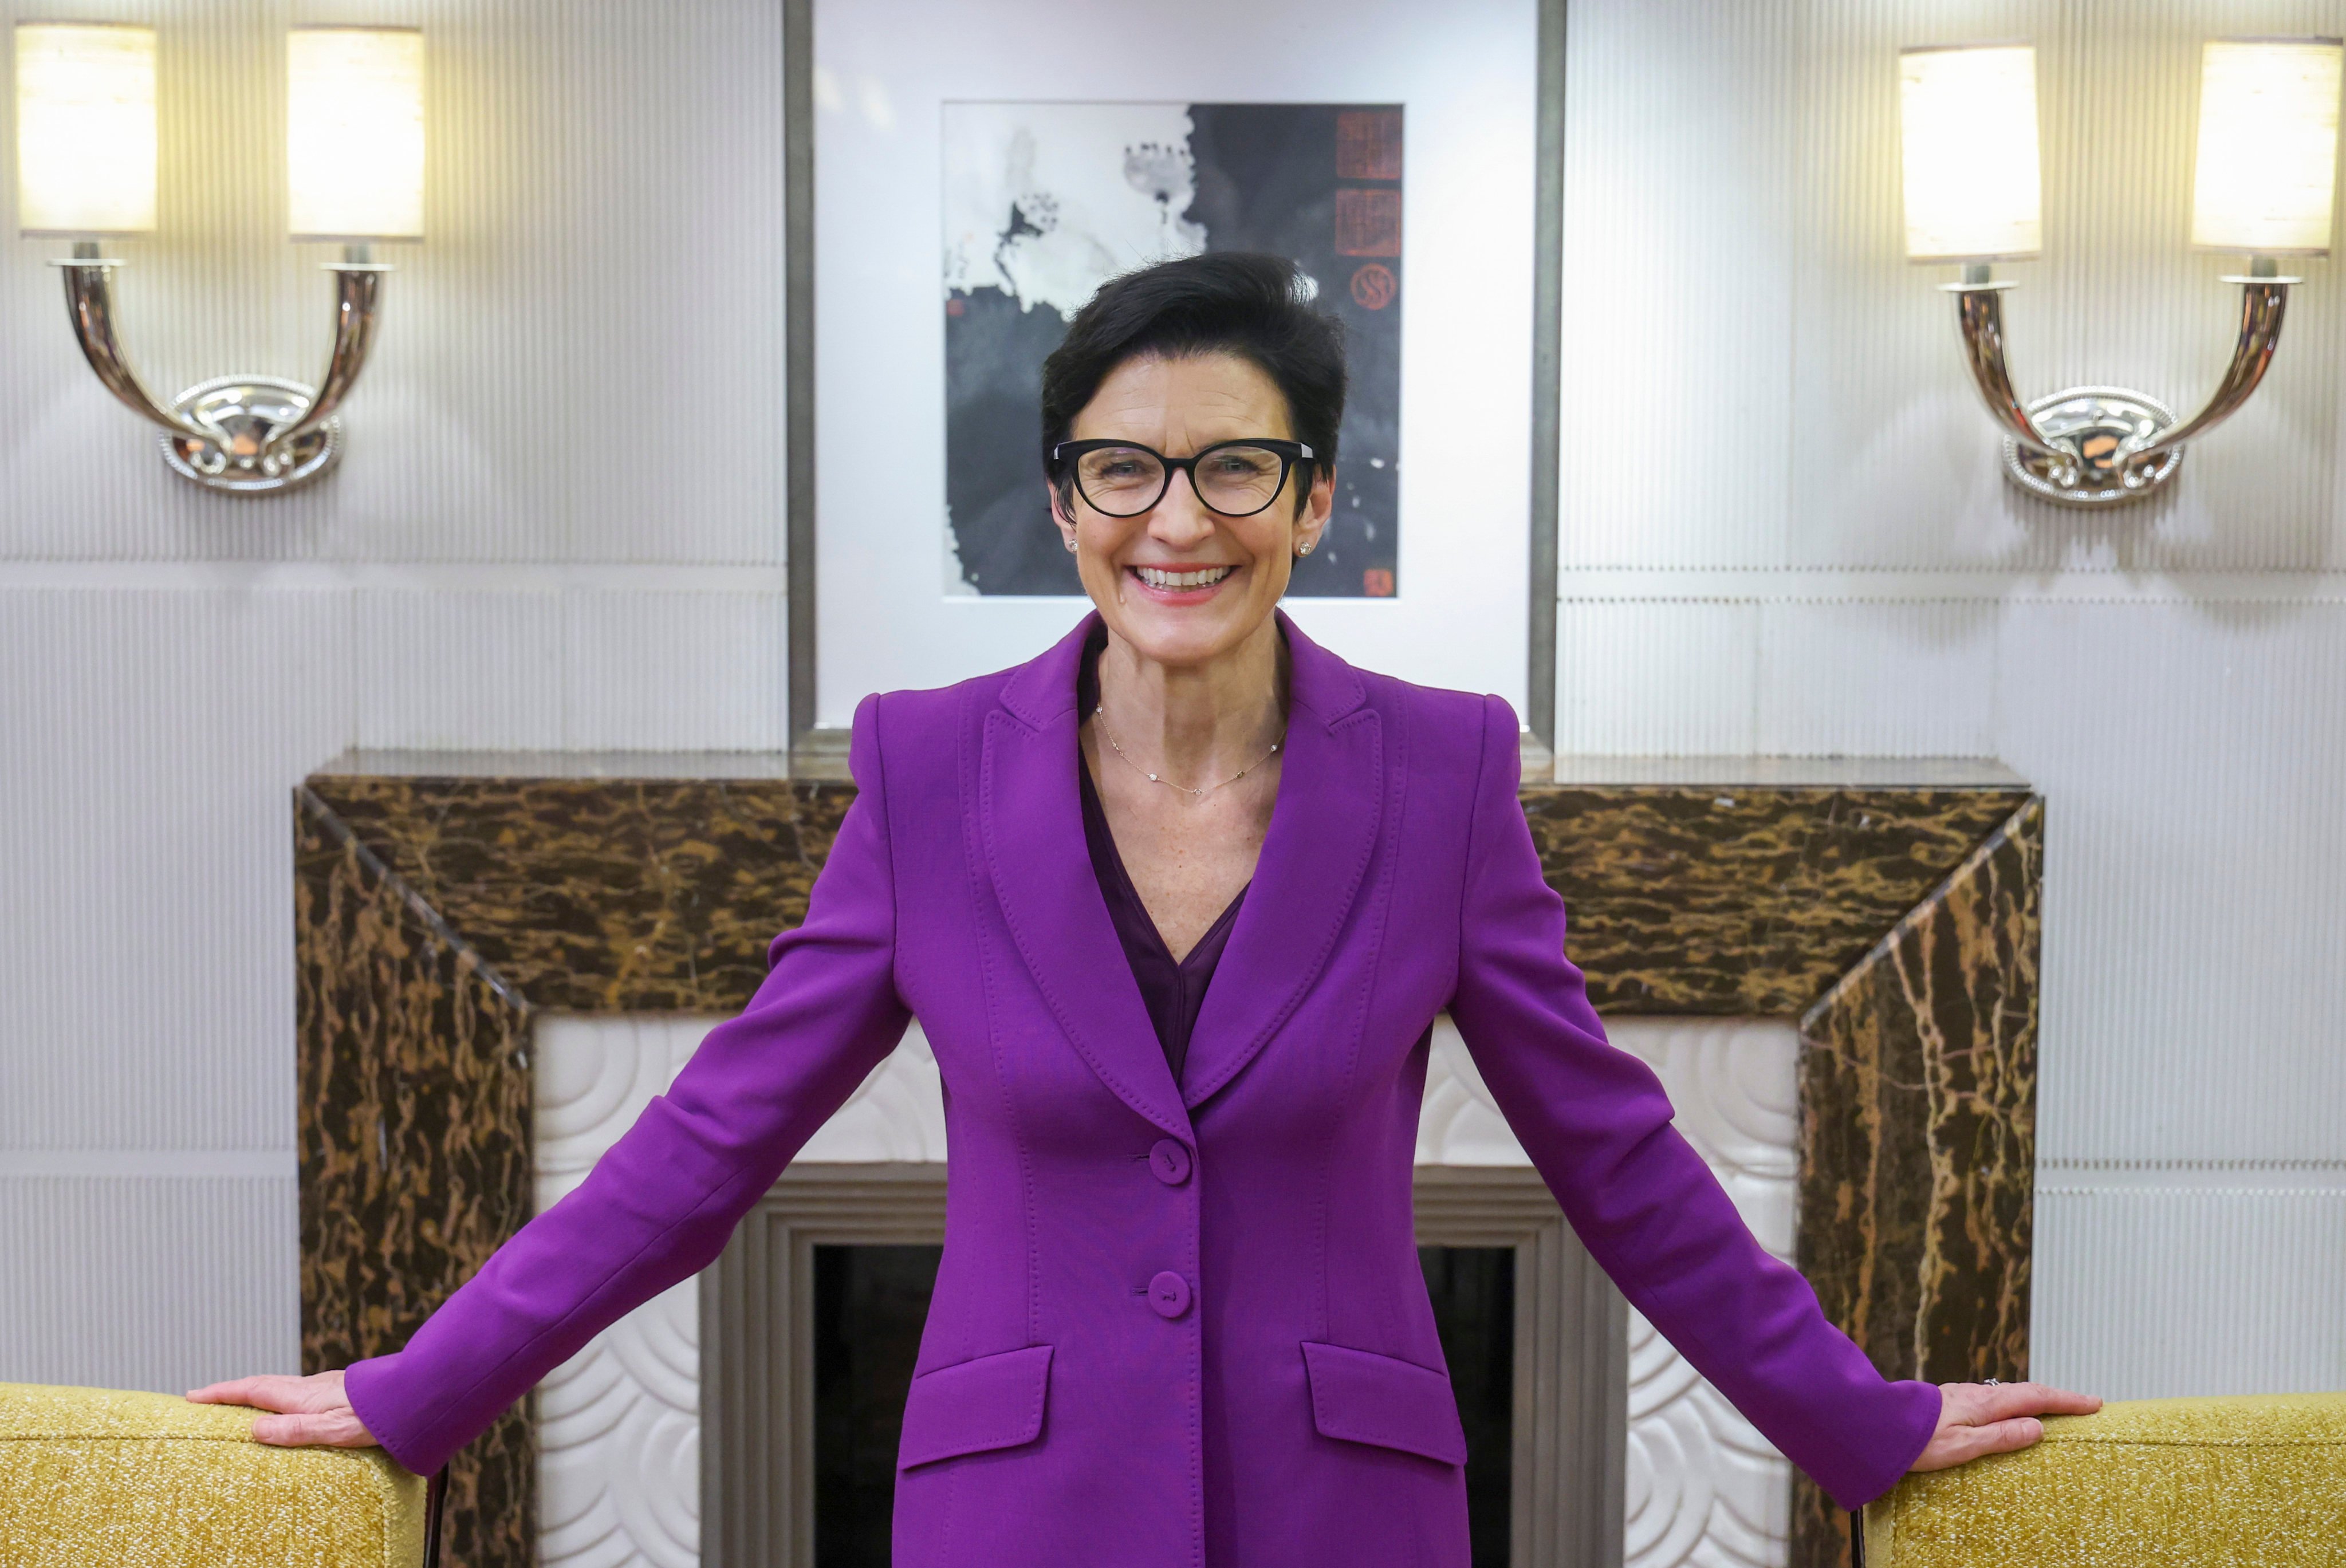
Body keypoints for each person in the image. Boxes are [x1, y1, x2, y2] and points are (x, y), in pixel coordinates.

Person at [193, 253, 2097, 1567]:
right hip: (1012, 1500)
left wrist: (1855, 1414)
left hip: (1348, 1504)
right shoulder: (927, 769)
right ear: (1066, 495)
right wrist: (411, 1390)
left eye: (1233, 466)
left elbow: (1613, 1151)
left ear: (1315, 498)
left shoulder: (1442, 774)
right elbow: (704, 1139)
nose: (1176, 519)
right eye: (1125, 467)